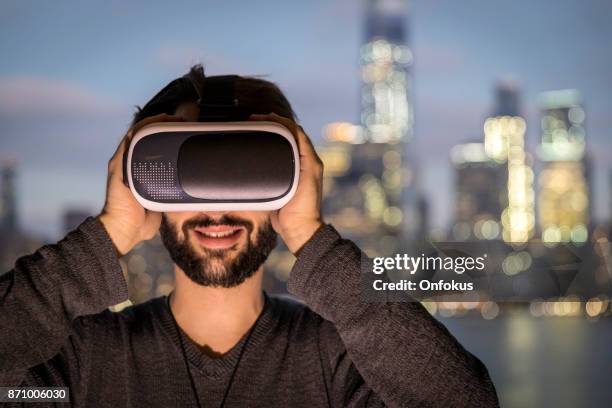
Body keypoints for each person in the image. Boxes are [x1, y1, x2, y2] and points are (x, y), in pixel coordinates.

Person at [0, 65, 498, 407]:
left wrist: (312, 236)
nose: (218, 206)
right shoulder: (79, 369)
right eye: (192, 174)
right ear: (148, 186)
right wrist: (108, 235)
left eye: (245, 170)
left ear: (294, 180)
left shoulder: (343, 364)